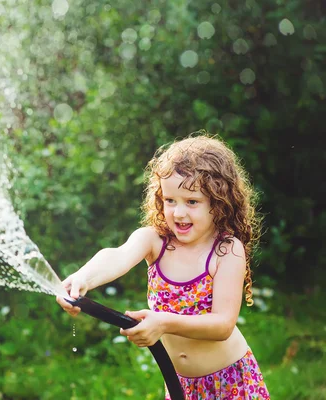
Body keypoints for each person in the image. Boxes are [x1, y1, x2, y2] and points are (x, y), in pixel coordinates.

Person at [56, 133, 270, 399]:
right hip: (179, 385)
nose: (178, 213)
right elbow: (117, 255)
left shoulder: (226, 250)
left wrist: (163, 323)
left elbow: (222, 324)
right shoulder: (155, 240)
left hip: (230, 383)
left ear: (218, 203)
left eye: (192, 202)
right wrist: (82, 278)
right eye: (170, 200)